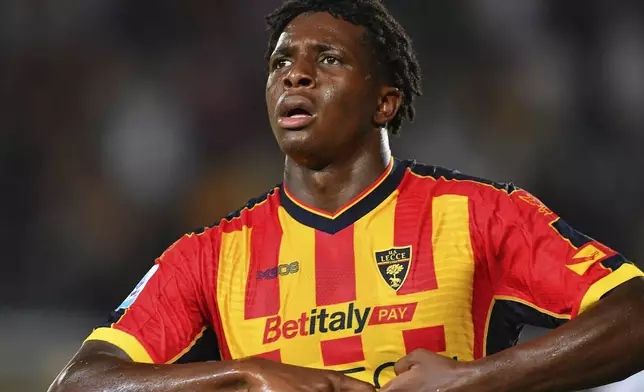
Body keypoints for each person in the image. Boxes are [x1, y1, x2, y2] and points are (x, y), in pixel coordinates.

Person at [49, 0, 644, 391]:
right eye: (281, 62)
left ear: (385, 101)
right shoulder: (209, 256)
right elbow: (81, 382)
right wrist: (247, 376)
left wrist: (475, 380)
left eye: (327, 59)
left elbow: (635, 313)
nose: (295, 74)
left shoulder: (475, 214)